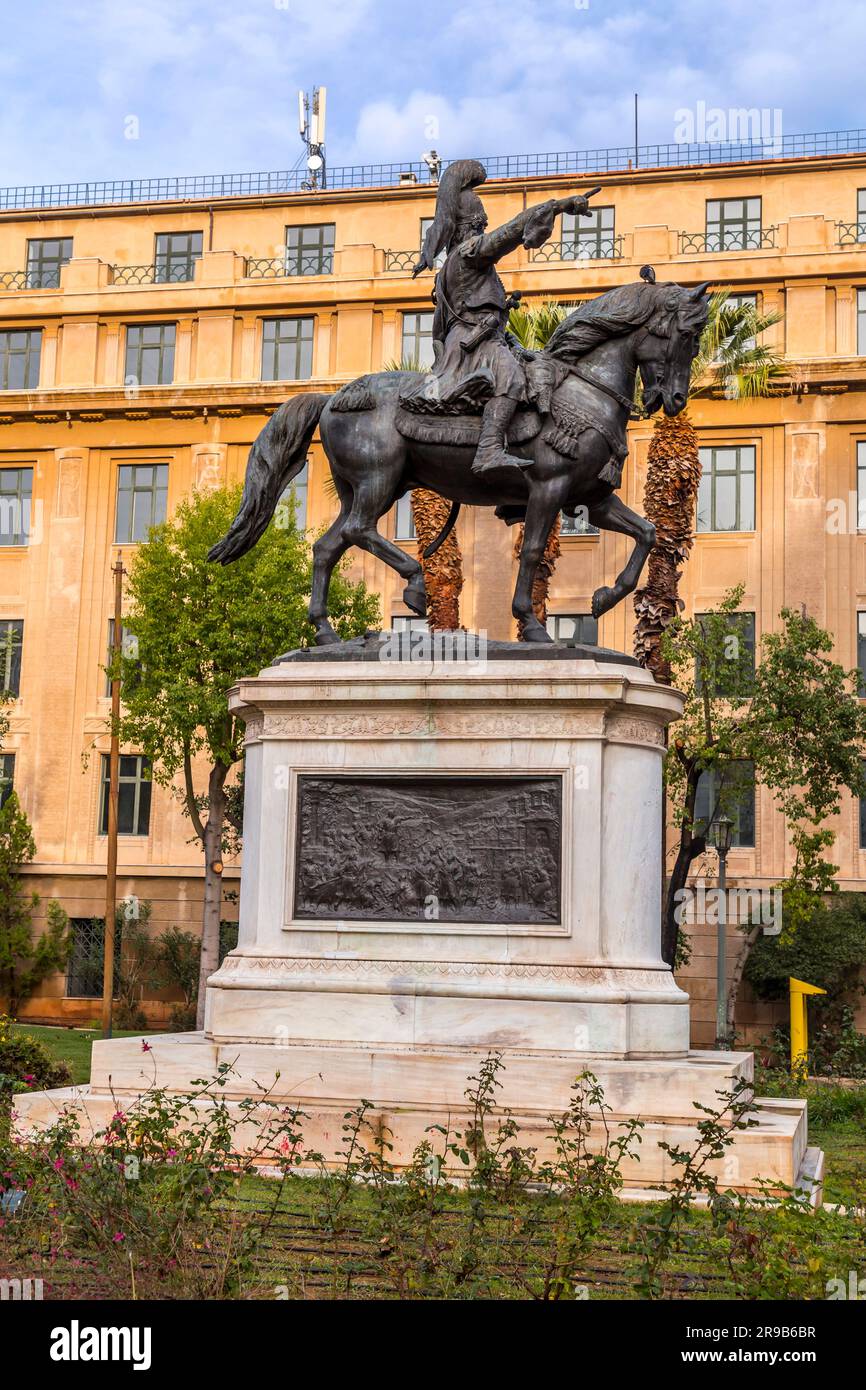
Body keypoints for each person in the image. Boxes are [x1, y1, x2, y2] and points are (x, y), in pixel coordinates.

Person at [413, 159, 597, 484]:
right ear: (469, 224)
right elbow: (511, 232)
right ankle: (488, 450)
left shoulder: (459, 261)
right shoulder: (469, 253)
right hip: (473, 342)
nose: (484, 228)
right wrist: (560, 205)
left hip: (488, 337)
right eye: (481, 223)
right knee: (510, 378)